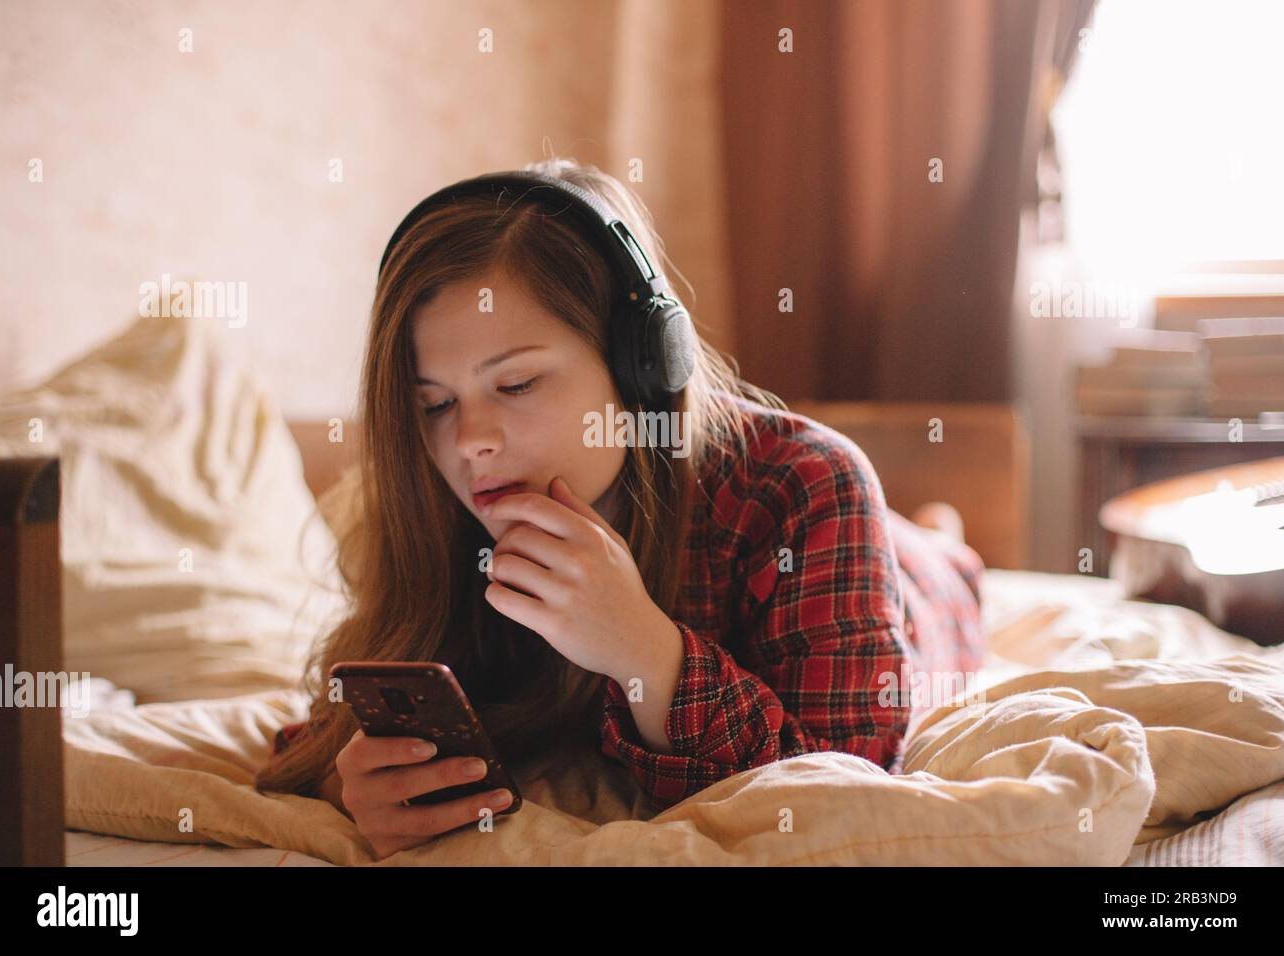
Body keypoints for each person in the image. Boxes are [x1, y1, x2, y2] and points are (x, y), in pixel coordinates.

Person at [253, 157, 986, 860]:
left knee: (932, 556)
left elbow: (846, 787)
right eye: (436, 404)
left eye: (516, 386)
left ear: (643, 366)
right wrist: (347, 782)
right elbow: (316, 742)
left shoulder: (802, 484)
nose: (470, 441)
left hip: (920, 595)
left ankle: (936, 535)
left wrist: (644, 652)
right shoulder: (436, 505)